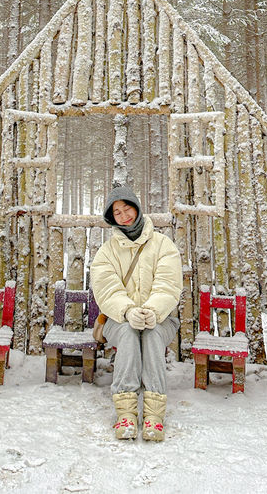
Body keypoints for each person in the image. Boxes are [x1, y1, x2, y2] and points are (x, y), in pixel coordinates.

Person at [90, 185, 182, 442]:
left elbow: (169, 284)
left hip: (160, 319)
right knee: (130, 333)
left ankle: (154, 414)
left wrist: (153, 310)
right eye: (116, 212)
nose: (123, 215)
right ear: (112, 218)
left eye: (126, 208)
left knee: (151, 334)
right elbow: (106, 289)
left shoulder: (164, 245)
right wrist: (128, 310)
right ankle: (126, 412)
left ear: (137, 207)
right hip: (118, 320)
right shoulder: (106, 253)